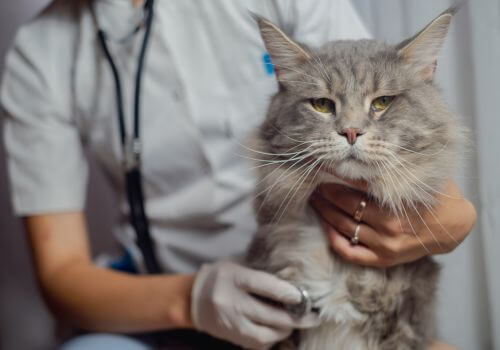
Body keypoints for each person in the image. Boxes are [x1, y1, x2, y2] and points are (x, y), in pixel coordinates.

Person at [0, 0, 476, 349]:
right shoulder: (41, 53)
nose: (349, 126)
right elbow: (61, 275)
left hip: (329, 253)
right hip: (154, 291)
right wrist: (193, 299)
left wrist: (451, 218)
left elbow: (370, 72)